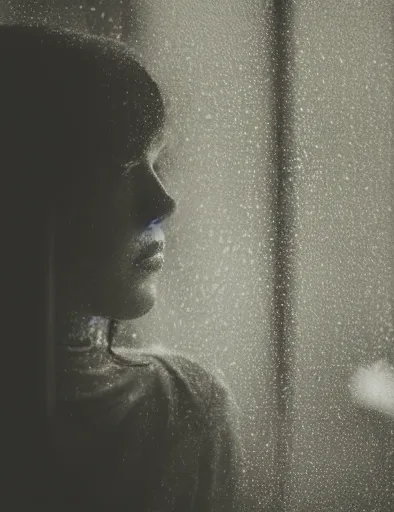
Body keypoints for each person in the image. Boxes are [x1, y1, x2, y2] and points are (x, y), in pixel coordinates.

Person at [0, 24, 243, 511]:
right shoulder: (184, 413)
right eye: (120, 168)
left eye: (157, 163)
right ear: (31, 193)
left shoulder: (189, 409)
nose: (163, 203)